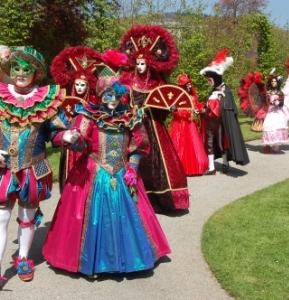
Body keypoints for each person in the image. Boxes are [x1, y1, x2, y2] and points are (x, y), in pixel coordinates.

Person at [42, 62, 171, 277]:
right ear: (100, 94)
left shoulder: (131, 116)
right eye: (106, 95)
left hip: (123, 174)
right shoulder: (88, 115)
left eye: (114, 95)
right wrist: (74, 140)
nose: (110, 100)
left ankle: (132, 260)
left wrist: (133, 169)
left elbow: (138, 147)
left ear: (121, 95)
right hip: (92, 172)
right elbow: (81, 145)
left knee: (130, 217)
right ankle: (90, 262)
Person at [0, 46, 79, 284]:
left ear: (36, 73)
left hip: (33, 170)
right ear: (9, 69)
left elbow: (55, 133)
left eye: (26, 69)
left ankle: (23, 257)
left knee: (27, 215)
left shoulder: (46, 100)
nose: (21, 73)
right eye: (16, 68)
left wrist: (65, 137)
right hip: (2, 171)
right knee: (1, 218)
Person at [118, 24, 190, 213]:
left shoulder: (157, 82)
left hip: (154, 128)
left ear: (149, 63)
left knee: (160, 162)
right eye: (138, 63)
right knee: (136, 160)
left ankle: (163, 201)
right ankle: (137, 198)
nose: (140, 67)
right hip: (134, 127)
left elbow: (163, 104)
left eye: (144, 63)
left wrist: (168, 107)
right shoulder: (128, 82)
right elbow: (123, 103)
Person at [50, 46, 103, 191]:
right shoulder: (62, 101)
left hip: (85, 144)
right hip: (69, 142)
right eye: (77, 85)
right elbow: (57, 123)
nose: (79, 88)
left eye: (83, 85)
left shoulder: (94, 104)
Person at [199, 49, 250, 174]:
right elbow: (209, 107)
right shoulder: (212, 91)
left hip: (220, 123)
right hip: (210, 123)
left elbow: (225, 108)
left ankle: (225, 162)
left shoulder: (225, 91)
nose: (208, 81)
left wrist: (215, 105)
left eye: (210, 78)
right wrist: (202, 110)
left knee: (221, 144)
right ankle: (211, 167)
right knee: (209, 144)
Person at [168, 73, 208, 175]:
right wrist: (184, 112)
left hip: (191, 124)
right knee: (181, 145)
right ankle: (180, 168)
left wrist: (201, 109)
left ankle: (196, 167)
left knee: (193, 144)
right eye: (187, 84)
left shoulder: (192, 95)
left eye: (190, 83)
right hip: (180, 125)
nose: (189, 86)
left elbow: (197, 105)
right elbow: (175, 110)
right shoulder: (178, 96)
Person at [262, 71, 289, 153]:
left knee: (277, 127)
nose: (273, 83)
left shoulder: (280, 93)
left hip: (278, 112)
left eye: (275, 81)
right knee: (267, 126)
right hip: (269, 111)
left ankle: (275, 144)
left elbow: (282, 104)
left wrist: (278, 103)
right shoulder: (268, 92)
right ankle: (267, 145)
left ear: (278, 82)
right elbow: (265, 101)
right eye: (272, 81)